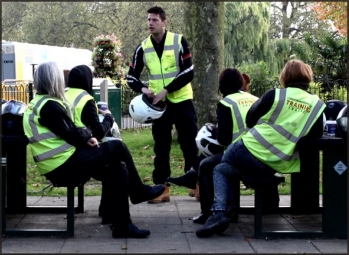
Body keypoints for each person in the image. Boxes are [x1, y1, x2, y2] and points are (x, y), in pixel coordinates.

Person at [23, 62, 165, 239]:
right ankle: (138, 191)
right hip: (64, 165)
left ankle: (122, 226)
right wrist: (89, 133)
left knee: (118, 169)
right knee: (117, 146)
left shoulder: (37, 103)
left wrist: (85, 137)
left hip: (59, 162)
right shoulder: (49, 106)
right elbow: (74, 134)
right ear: (54, 80)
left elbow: (68, 133)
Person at [196, 59, 326, 238]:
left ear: (285, 76)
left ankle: (221, 212)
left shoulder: (276, 95)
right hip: (274, 162)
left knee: (220, 163)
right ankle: (221, 212)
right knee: (220, 169)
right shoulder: (316, 103)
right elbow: (316, 132)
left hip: (245, 149)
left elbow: (251, 119)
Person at [65, 65, 164, 221]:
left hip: (67, 152)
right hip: (77, 157)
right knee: (117, 151)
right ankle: (137, 192)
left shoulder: (63, 95)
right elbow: (98, 132)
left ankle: (108, 211)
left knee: (115, 165)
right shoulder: (85, 99)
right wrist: (109, 117)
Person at [127, 6, 198, 202]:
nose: (150, 23)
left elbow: (189, 71)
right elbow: (130, 76)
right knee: (161, 146)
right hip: (158, 106)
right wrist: (143, 89)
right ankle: (162, 188)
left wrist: (167, 89)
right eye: (149, 19)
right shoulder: (143, 47)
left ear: (164, 22)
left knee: (189, 144)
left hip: (182, 100)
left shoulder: (179, 41)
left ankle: (195, 184)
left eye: (155, 20)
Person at [168, 69, 258, 224]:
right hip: (261, 152)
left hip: (241, 154)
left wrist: (214, 131)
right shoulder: (256, 99)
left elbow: (223, 139)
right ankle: (190, 175)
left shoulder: (226, 104)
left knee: (207, 165)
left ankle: (207, 212)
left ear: (222, 85)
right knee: (212, 154)